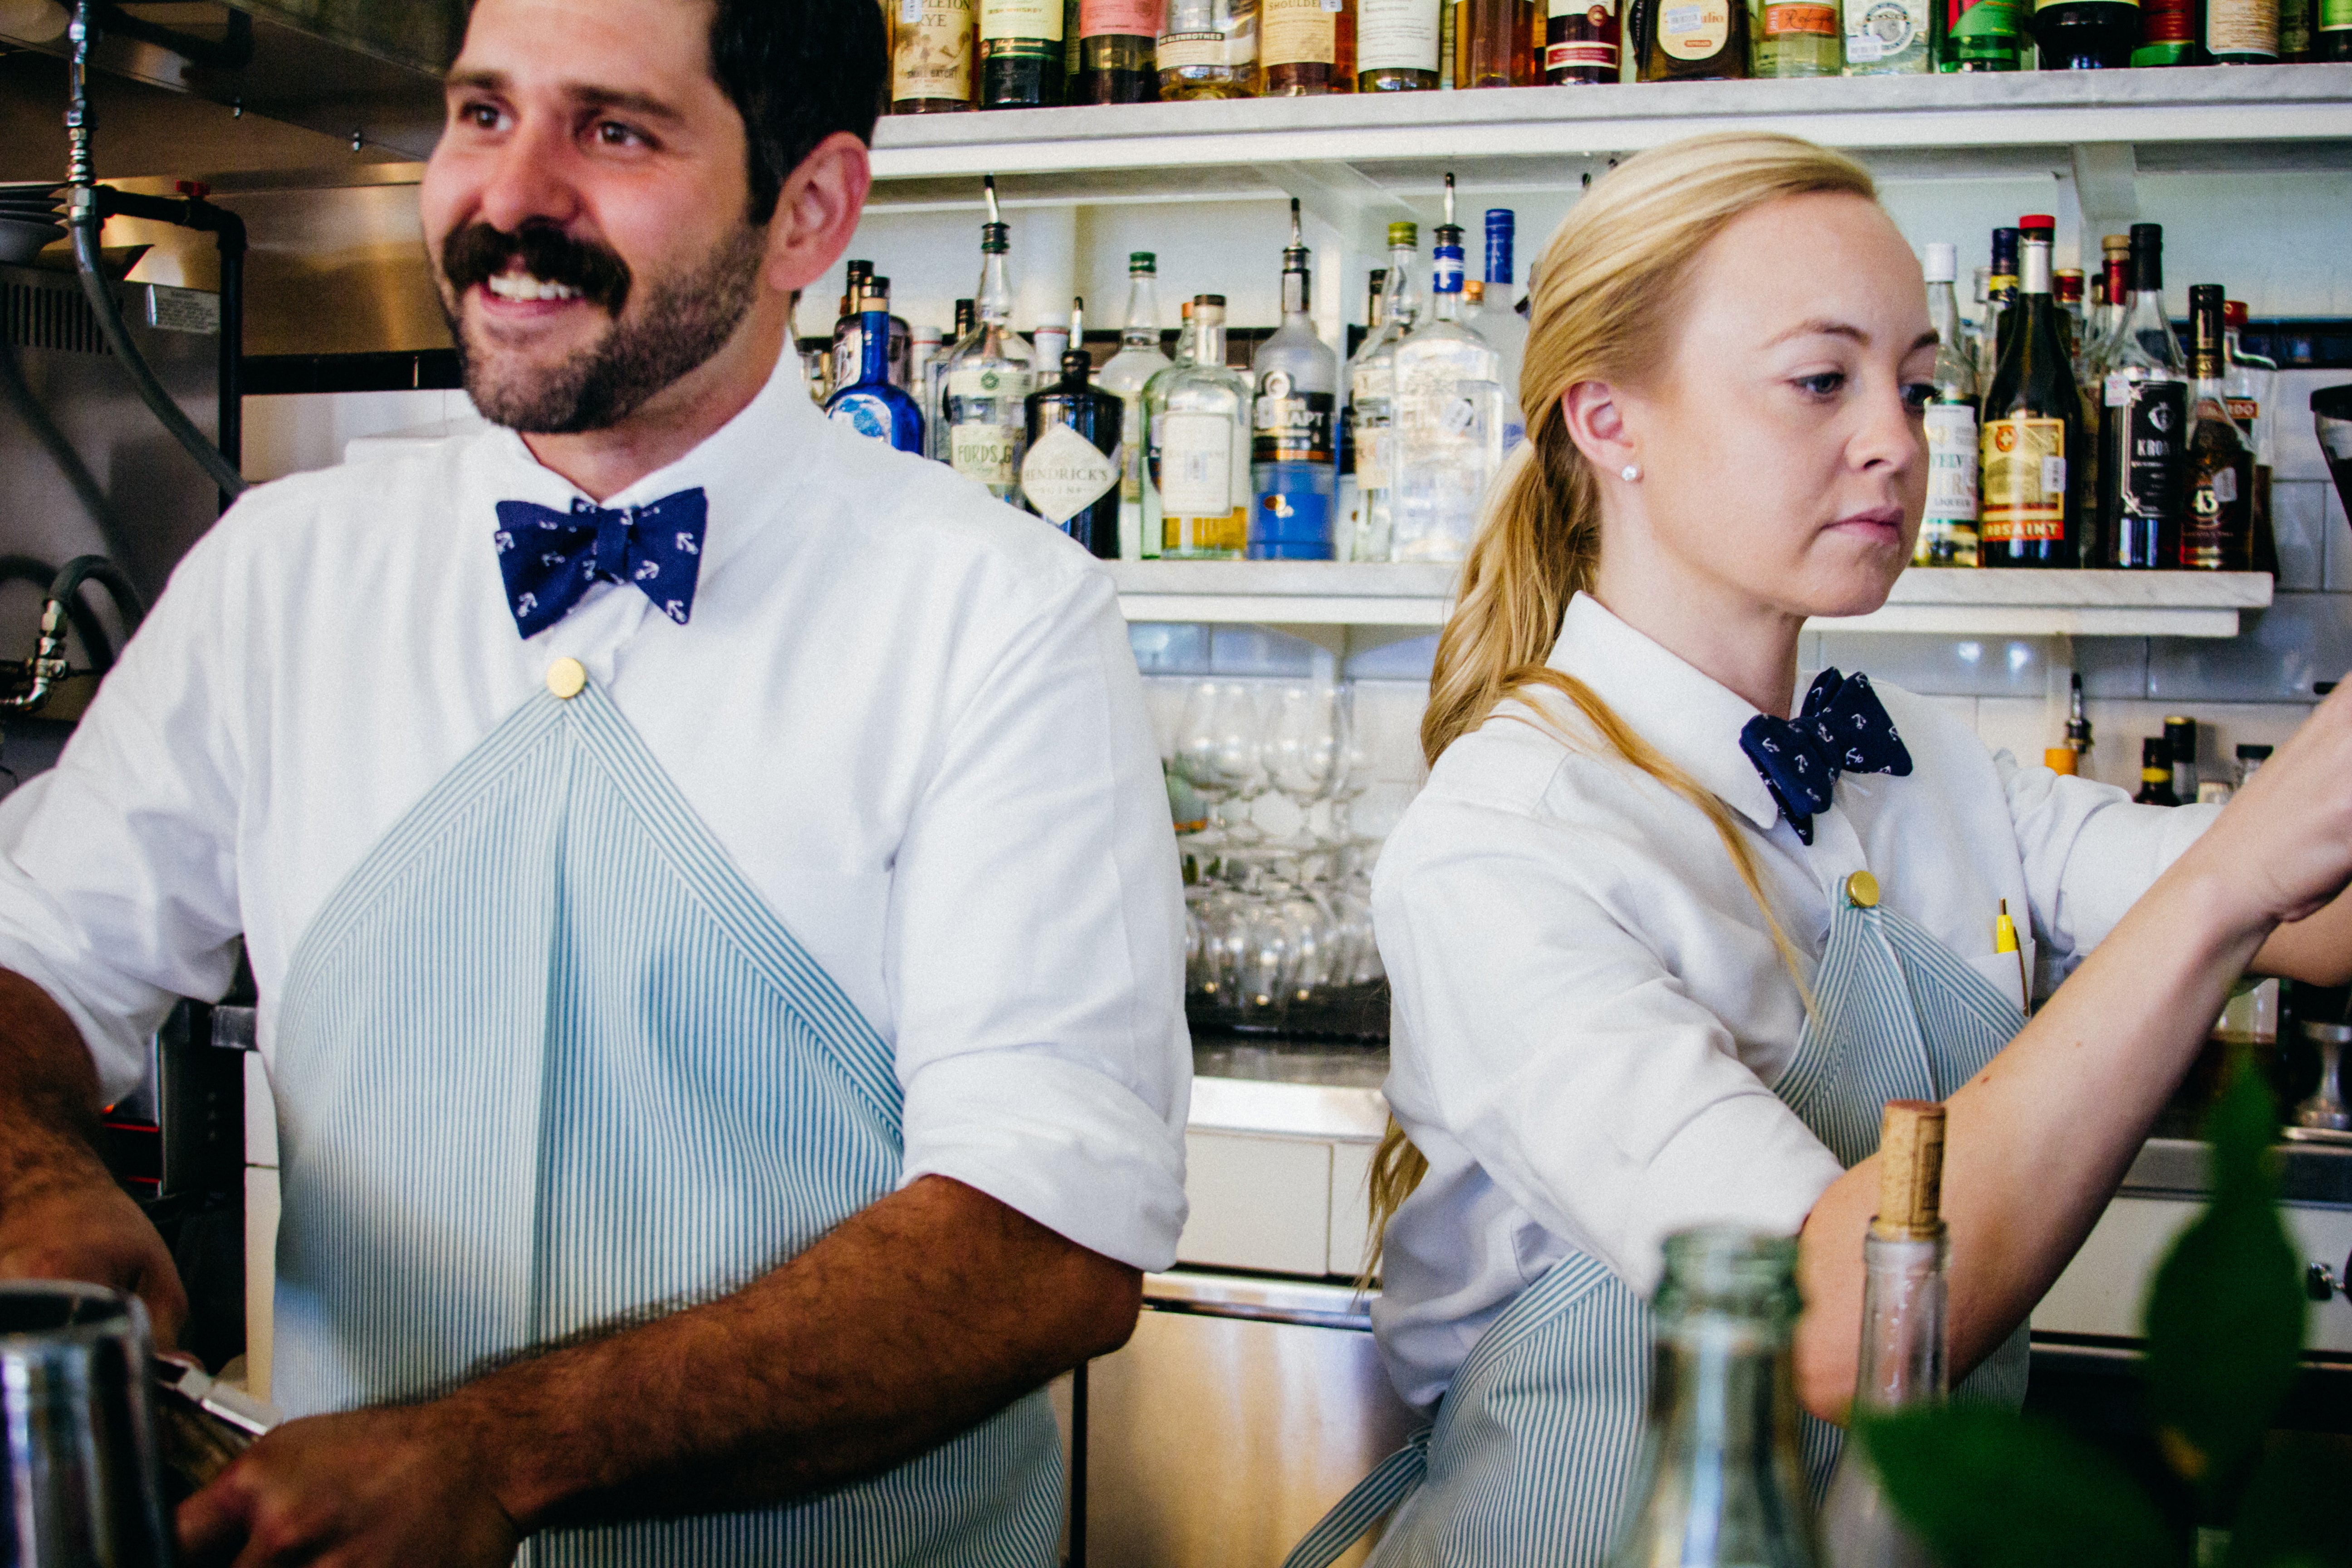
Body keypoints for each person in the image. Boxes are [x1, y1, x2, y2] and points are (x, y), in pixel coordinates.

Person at [0, 1, 1190, 1564]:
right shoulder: (280, 577)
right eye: (484, 115)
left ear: (810, 210)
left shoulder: (997, 616)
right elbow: (31, 957)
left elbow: (1044, 1242)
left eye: (615, 132)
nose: (511, 200)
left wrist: (497, 1457)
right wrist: (32, 1179)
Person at [1284, 132, 2352, 1568]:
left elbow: (2316, 918)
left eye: (1916, 386)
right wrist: (2230, 880)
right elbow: (1835, 1324)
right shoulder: (1507, 843)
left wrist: (2264, 856)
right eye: (1822, 381)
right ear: (1610, 420)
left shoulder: (1916, 758)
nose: (1898, 442)